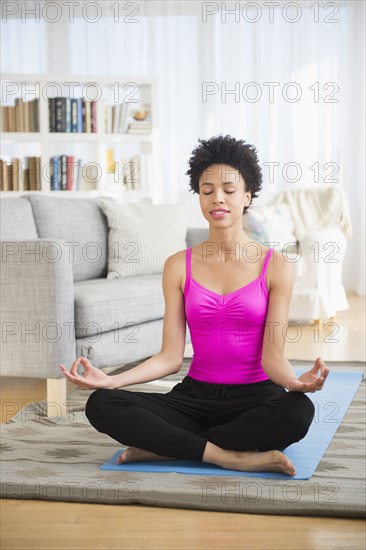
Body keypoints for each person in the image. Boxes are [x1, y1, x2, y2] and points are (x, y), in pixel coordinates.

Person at [59, 135, 329, 476]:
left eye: (229, 190)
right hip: (194, 398)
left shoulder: (276, 265)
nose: (218, 197)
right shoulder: (177, 265)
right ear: (199, 197)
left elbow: (272, 358)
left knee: (297, 412)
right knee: (102, 404)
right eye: (207, 190)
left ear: (247, 196)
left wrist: (296, 382)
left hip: (257, 398)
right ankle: (227, 456)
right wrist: (111, 381)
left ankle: (170, 447)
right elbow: (170, 358)